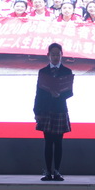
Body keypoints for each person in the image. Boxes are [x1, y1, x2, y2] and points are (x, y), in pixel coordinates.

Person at [34, 43, 74, 181]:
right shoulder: (43, 72)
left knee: (58, 142)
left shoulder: (67, 71)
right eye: (53, 54)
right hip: (45, 110)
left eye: (58, 54)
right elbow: (38, 93)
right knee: (48, 142)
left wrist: (59, 95)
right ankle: (47, 172)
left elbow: (70, 92)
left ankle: (57, 171)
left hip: (60, 110)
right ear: (48, 55)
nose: (55, 57)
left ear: (62, 55)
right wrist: (36, 111)